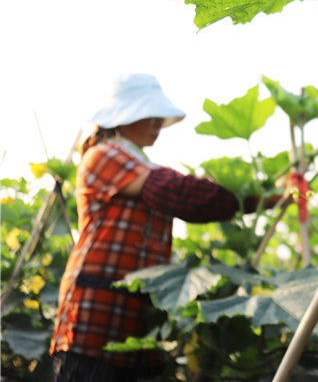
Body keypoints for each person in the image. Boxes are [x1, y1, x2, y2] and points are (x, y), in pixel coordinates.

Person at [50, 74, 273, 382]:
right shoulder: (103, 155)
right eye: (148, 113)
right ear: (124, 116)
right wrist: (262, 198)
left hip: (136, 318)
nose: (158, 122)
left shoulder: (137, 161)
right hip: (96, 312)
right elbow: (175, 193)